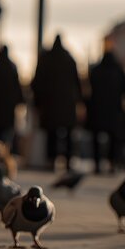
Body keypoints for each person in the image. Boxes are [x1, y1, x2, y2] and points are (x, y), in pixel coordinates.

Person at [31, 35, 81, 171]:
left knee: (51, 134)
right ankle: (68, 161)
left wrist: (37, 102)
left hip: (49, 104)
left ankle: (51, 161)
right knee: (68, 134)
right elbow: (78, 82)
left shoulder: (45, 59)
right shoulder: (69, 59)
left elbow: (37, 82)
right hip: (67, 104)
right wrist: (79, 101)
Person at [87, 48, 125, 174]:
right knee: (115, 139)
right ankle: (112, 164)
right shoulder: (119, 70)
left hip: (97, 110)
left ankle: (97, 164)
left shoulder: (96, 71)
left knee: (96, 138)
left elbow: (87, 91)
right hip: (115, 111)